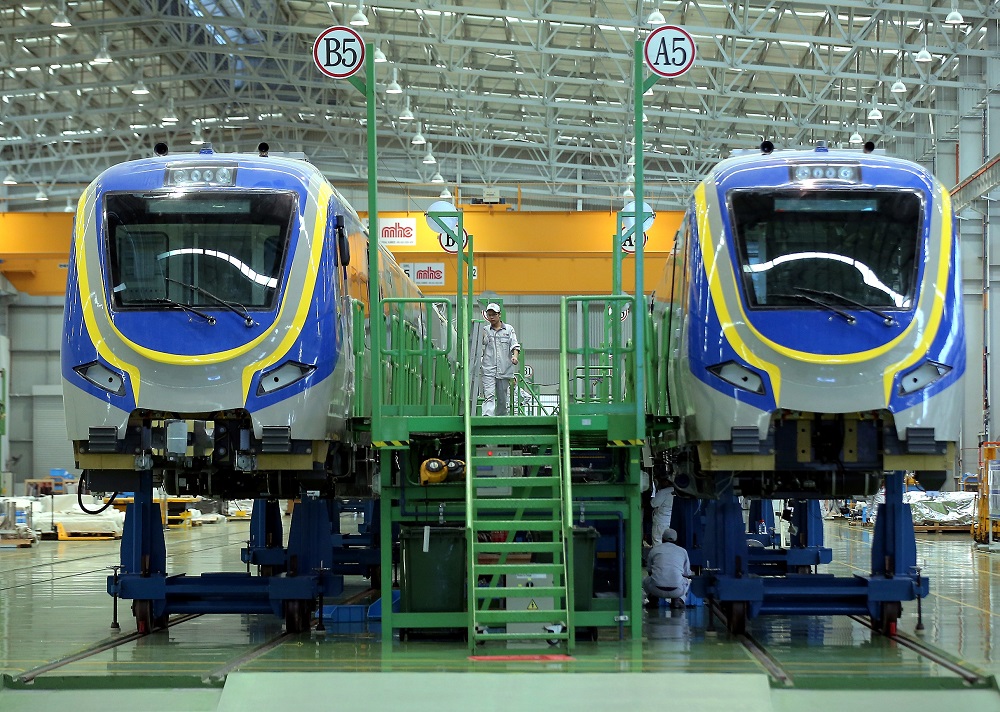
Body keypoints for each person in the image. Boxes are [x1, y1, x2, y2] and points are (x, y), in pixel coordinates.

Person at [480, 302, 520, 416]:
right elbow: (483, 342)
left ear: (499, 314)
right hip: (489, 369)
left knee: (502, 398)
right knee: (489, 395)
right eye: (489, 314)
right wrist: (476, 330)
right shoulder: (485, 330)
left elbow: (514, 345)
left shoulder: (508, 330)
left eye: (494, 314)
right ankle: (487, 418)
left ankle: (501, 419)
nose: (491, 317)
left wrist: (515, 357)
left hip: (504, 369)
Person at [642, 528, 693, 609]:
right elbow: (687, 573)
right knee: (688, 581)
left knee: (644, 580)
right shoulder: (683, 551)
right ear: (676, 540)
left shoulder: (654, 550)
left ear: (662, 539)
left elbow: (649, 571)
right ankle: (678, 600)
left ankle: (653, 600)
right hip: (677, 591)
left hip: (656, 589)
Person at [649, 477, 674, 547]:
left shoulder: (663, 492)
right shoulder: (677, 492)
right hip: (670, 521)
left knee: (658, 542)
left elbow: (653, 503)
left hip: (661, 522)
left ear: (667, 482)